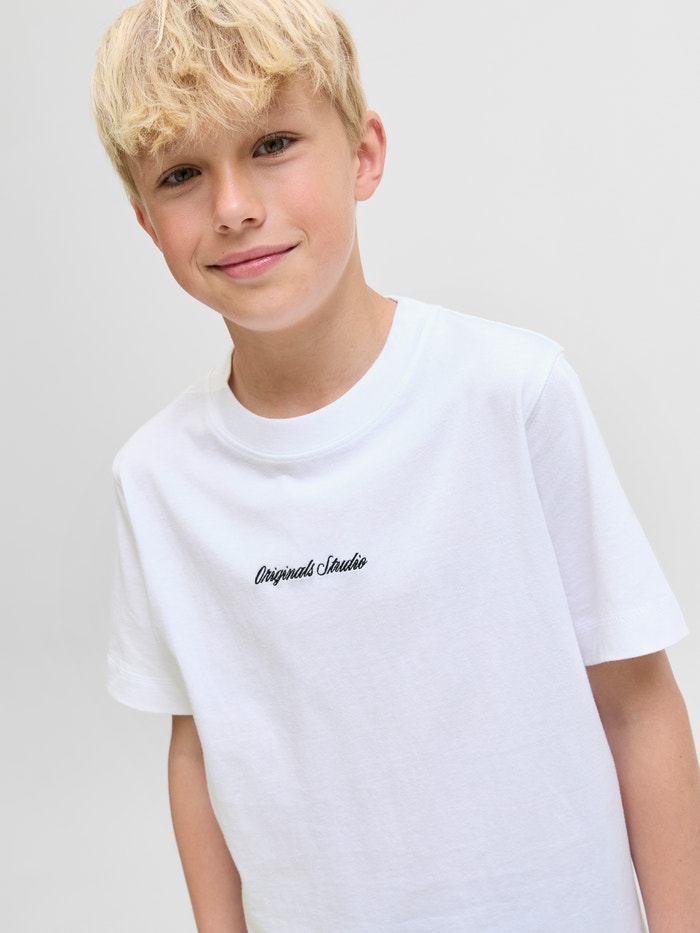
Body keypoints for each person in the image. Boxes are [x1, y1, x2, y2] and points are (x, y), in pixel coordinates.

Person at [92, 1, 700, 929]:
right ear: (145, 219)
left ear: (364, 154)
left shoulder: (511, 391)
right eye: (182, 173)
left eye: (272, 144)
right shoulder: (158, 480)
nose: (234, 207)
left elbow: (637, 702)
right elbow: (200, 742)